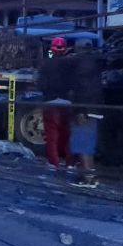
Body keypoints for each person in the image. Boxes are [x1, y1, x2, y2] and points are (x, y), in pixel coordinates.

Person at [67, 40, 105, 188]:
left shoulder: (82, 66)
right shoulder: (94, 64)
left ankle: (88, 178)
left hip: (85, 111)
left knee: (83, 145)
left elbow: (82, 90)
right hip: (94, 110)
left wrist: (81, 111)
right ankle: (89, 175)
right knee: (87, 146)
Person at [38, 37, 75, 174]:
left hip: (50, 101)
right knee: (67, 134)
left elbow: (41, 83)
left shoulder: (46, 64)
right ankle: (69, 163)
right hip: (67, 102)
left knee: (52, 134)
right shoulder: (71, 64)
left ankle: (54, 162)